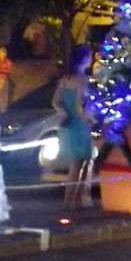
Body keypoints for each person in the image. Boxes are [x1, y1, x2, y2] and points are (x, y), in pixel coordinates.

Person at [54, 45, 95, 211]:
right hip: (80, 125)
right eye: (89, 56)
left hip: (68, 124)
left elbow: (55, 101)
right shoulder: (83, 80)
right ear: (84, 59)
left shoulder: (65, 79)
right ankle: (73, 201)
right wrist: (89, 119)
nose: (91, 59)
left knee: (76, 163)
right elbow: (80, 104)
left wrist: (64, 112)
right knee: (81, 163)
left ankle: (71, 200)